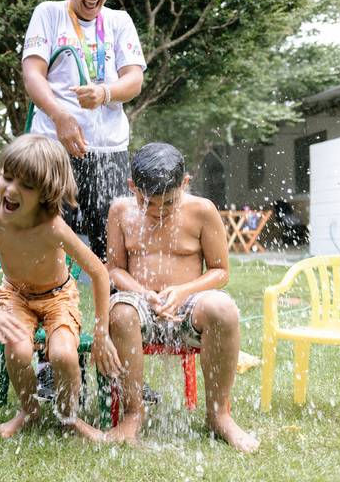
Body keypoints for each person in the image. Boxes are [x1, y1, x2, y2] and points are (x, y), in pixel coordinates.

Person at [0, 134, 123, 442]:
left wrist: (101, 333)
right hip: (15, 295)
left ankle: (68, 416)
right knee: (18, 349)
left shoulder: (53, 228)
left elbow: (99, 274)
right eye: (7, 177)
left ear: (46, 193)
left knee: (63, 354)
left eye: (27, 186)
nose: (10, 190)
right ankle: (29, 410)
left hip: (57, 297)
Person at [100, 142, 260, 453]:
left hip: (189, 306)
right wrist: (143, 293)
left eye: (168, 203)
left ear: (184, 184)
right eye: (148, 203)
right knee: (119, 312)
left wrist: (184, 291)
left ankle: (219, 415)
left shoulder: (202, 211)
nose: (158, 211)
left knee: (223, 308)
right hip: (139, 301)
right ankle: (134, 414)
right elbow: (115, 269)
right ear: (132, 187)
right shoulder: (120, 211)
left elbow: (220, 272)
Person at [22, 0, 145, 263]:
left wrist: (104, 93)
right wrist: (59, 116)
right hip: (53, 147)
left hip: (108, 149)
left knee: (113, 243)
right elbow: (32, 74)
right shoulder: (48, 14)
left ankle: (117, 306)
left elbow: (134, 80)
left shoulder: (119, 21)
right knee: (44, 235)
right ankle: (44, 304)